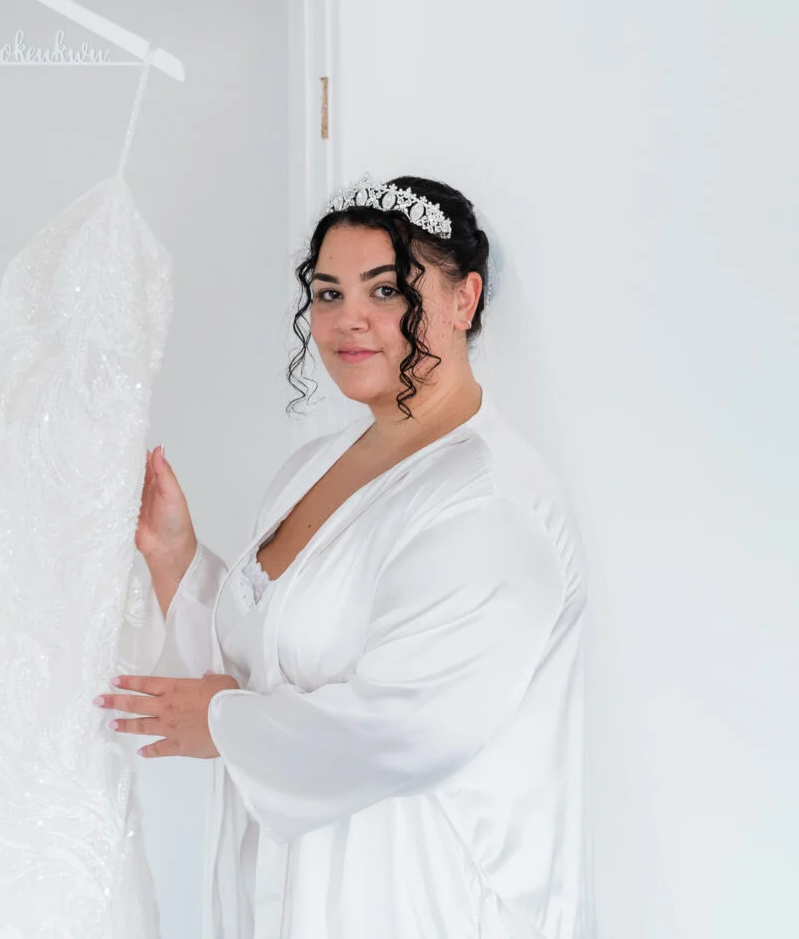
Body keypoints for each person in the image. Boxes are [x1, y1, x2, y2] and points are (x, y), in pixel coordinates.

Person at [101, 178, 590, 937]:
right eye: (327, 293)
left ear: (465, 301)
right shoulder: (314, 468)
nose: (348, 320)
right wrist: (174, 555)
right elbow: (271, 664)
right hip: (290, 895)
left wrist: (224, 724)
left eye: (387, 289)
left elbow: (408, 728)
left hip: (414, 900)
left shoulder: (489, 503)